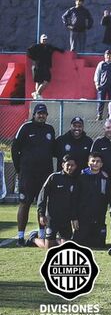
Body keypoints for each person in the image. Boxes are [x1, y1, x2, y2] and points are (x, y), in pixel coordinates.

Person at [12, 104, 55, 246]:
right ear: (34, 114)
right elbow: (14, 149)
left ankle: (42, 235)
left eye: (44, 113)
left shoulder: (50, 129)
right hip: (28, 174)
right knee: (25, 203)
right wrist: (19, 169)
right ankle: (20, 237)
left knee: (42, 205)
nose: (41, 115)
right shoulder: (25, 127)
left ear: (46, 115)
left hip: (45, 175)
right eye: (39, 113)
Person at [33, 154, 78, 249]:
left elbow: (74, 202)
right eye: (68, 165)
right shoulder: (54, 177)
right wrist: (41, 214)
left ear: (75, 166)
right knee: (49, 248)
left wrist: (74, 218)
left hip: (66, 219)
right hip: (52, 218)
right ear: (62, 165)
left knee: (66, 247)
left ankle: (58, 241)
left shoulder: (75, 181)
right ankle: (33, 239)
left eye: (72, 165)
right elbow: (42, 196)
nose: (70, 167)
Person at [72, 153, 110, 247]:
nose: (95, 163)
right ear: (88, 163)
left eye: (98, 161)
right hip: (83, 217)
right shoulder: (81, 177)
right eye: (93, 161)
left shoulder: (105, 178)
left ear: (101, 164)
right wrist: (74, 217)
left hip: (99, 217)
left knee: (99, 245)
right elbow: (74, 198)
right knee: (79, 244)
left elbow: (108, 196)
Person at [27, 34, 64, 99]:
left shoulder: (49, 46)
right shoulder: (36, 46)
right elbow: (29, 51)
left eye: (45, 39)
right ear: (40, 40)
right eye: (43, 39)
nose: (44, 41)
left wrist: (62, 50)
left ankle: (37, 94)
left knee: (46, 80)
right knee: (39, 81)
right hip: (37, 66)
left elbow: (56, 48)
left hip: (45, 66)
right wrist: (35, 58)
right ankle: (37, 94)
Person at [94, 50, 111, 120]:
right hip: (102, 86)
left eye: (110, 55)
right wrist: (97, 84)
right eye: (107, 55)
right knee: (101, 101)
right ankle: (99, 115)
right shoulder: (101, 64)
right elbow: (97, 74)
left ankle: (110, 116)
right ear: (104, 56)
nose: (108, 56)